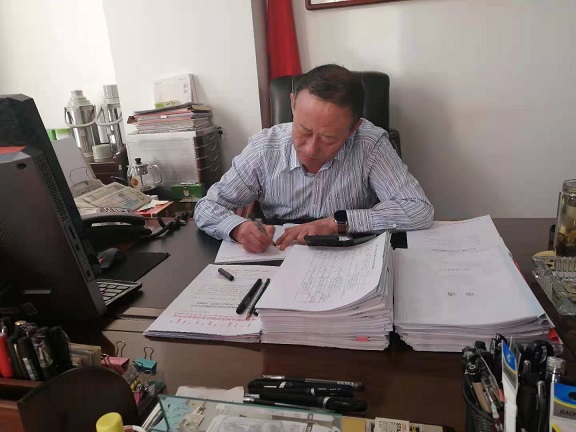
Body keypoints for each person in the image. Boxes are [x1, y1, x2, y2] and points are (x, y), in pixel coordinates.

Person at [195, 64, 433, 253]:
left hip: (351, 257)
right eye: (304, 130)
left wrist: (336, 223)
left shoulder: (370, 144)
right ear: (292, 105)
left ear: (353, 129)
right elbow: (207, 206)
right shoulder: (264, 148)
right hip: (281, 257)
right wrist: (237, 228)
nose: (311, 149)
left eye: (329, 138)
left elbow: (418, 209)